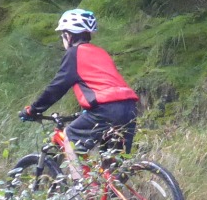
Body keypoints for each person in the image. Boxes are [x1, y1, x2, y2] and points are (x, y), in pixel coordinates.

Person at [19, 8, 139, 154]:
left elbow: (57, 87)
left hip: (105, 110)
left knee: (69, 138)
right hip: (129, 107)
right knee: (113, 164)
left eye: (62, 36)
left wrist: (33, 109)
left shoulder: (74, 53)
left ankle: (77, 177)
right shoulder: (101, 52)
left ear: (68, 36)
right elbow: (101, 84)